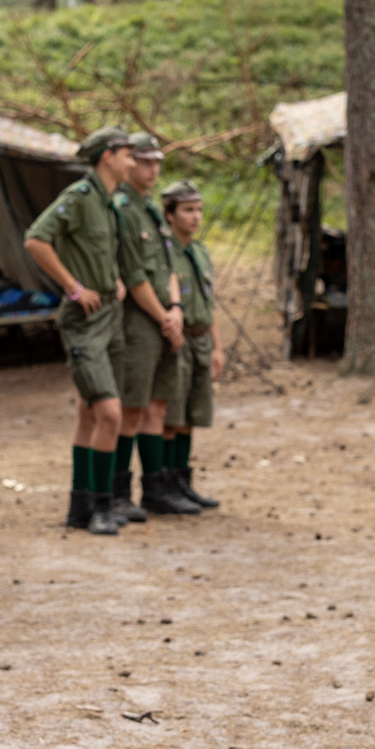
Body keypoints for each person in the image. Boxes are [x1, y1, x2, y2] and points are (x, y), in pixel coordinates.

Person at [23, 126, 141, 536]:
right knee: (110, 413)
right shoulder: (79, 197)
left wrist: (113, 280)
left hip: (111, 315)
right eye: (128, 155)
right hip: (84, 321)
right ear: (108, 156)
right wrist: (73, 287)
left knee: (91, 413)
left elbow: (100, 251)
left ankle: (80, 506)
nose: (133, 162)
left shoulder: (110, 202)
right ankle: (102, 506)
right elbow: (36, 240)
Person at [113, 132, 195, 517]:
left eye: (156, 162)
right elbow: (134, 275)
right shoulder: (123, 208)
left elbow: (168, 266)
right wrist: (165, 317)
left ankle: (156, 489)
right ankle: (118, 492)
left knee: (158, 406)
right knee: (132, 407)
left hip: (165, 318)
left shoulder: (151, 209)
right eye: (144, 161)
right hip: (140, 321)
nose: (152, 169)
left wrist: (175, 308)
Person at [161, 179, 223, 508]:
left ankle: (183, 482)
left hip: (201, 339)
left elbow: (208, 304)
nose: (196, 217)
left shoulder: (200, 252)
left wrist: (217, 347)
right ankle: (164, 485)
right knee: (171, 415)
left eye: (198, 210)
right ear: (169, 214)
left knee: (191, 415)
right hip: (177, 341)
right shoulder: (164, 254)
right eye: (187, 210)